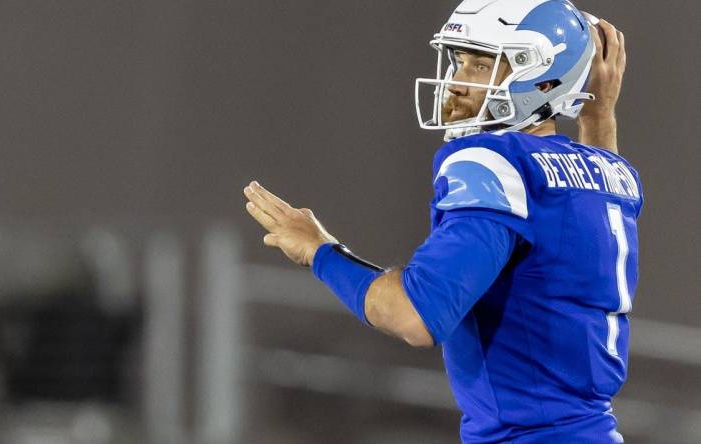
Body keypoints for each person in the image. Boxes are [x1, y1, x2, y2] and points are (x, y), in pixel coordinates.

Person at [243, 1, 638, 442]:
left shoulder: (492, 161)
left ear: (541, 77)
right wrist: (597, 114)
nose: (456, 82)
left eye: (481, 65)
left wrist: (320, 251)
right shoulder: (610, 174)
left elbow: (414, 316)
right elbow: (595, 171)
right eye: (459, 61)